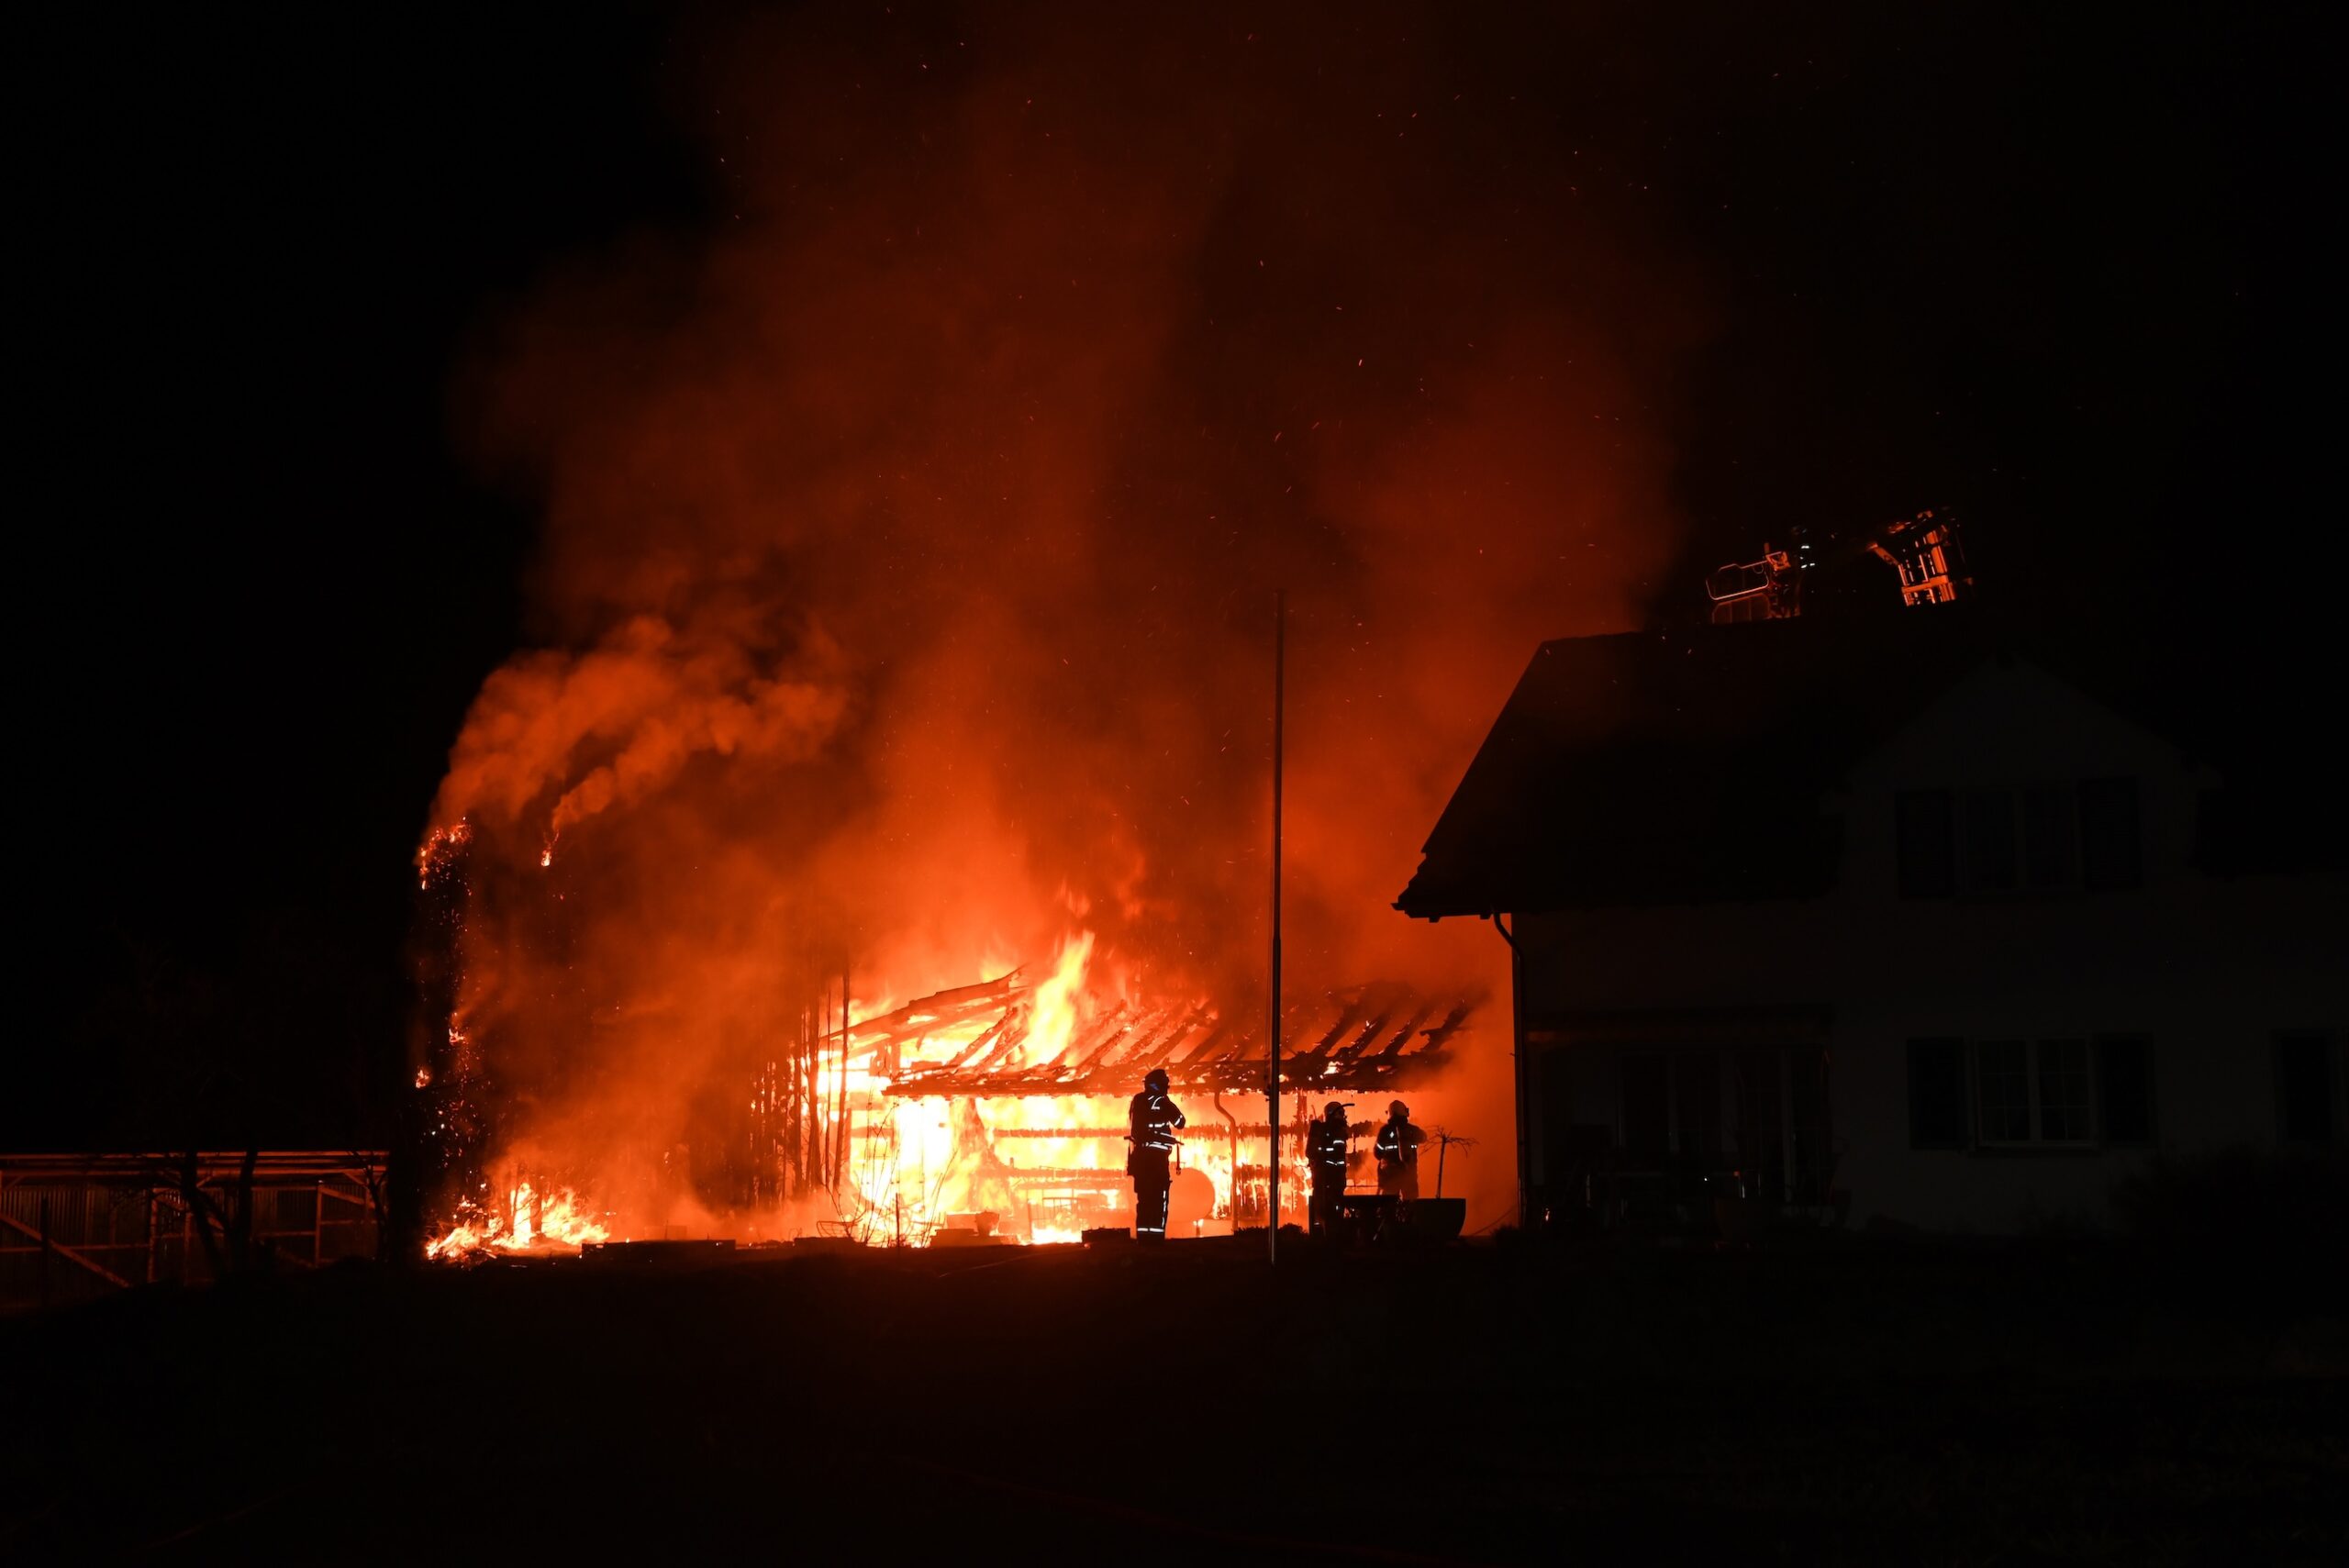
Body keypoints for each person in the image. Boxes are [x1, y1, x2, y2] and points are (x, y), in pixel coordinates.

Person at [1127, 1068, 1186, 1241]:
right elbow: (1180, 1122)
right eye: (1165, 1085)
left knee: (1144, 1201)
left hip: (1141, 1161)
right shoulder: (1164, 1102)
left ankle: (1144, 1238)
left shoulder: (1137, 1101)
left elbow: (1136, 1128)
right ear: (1159, 1085)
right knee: (1159, 1200)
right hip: (1157, 1162)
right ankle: (1156, 1239)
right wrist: (1166, 1103)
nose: (1167, 1088)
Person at [1308, 1101, 1351, 1238]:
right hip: (1332, 1182)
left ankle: (1324, 1238)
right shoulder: (1336, 1132)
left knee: (1324, 1213)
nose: (1343, 1117)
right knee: (1332, 1213)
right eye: (1341, 1113)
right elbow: (1337, 1158)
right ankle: (1330, 1240)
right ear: (1334, 1114)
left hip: (1325, 1181)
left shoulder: (1332, 1131)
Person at [1375, 1100, 1425, 1201]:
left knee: (1389, 1203)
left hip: (1391, 1174)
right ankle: (1409, 1216)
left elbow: (1378, 1153)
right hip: (1409, 1171)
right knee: (1410, 1202)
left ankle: (1391, 1216)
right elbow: (1424, 1137)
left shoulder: (1385, 1130)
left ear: (1390, 1113)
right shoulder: (1412, 1130)